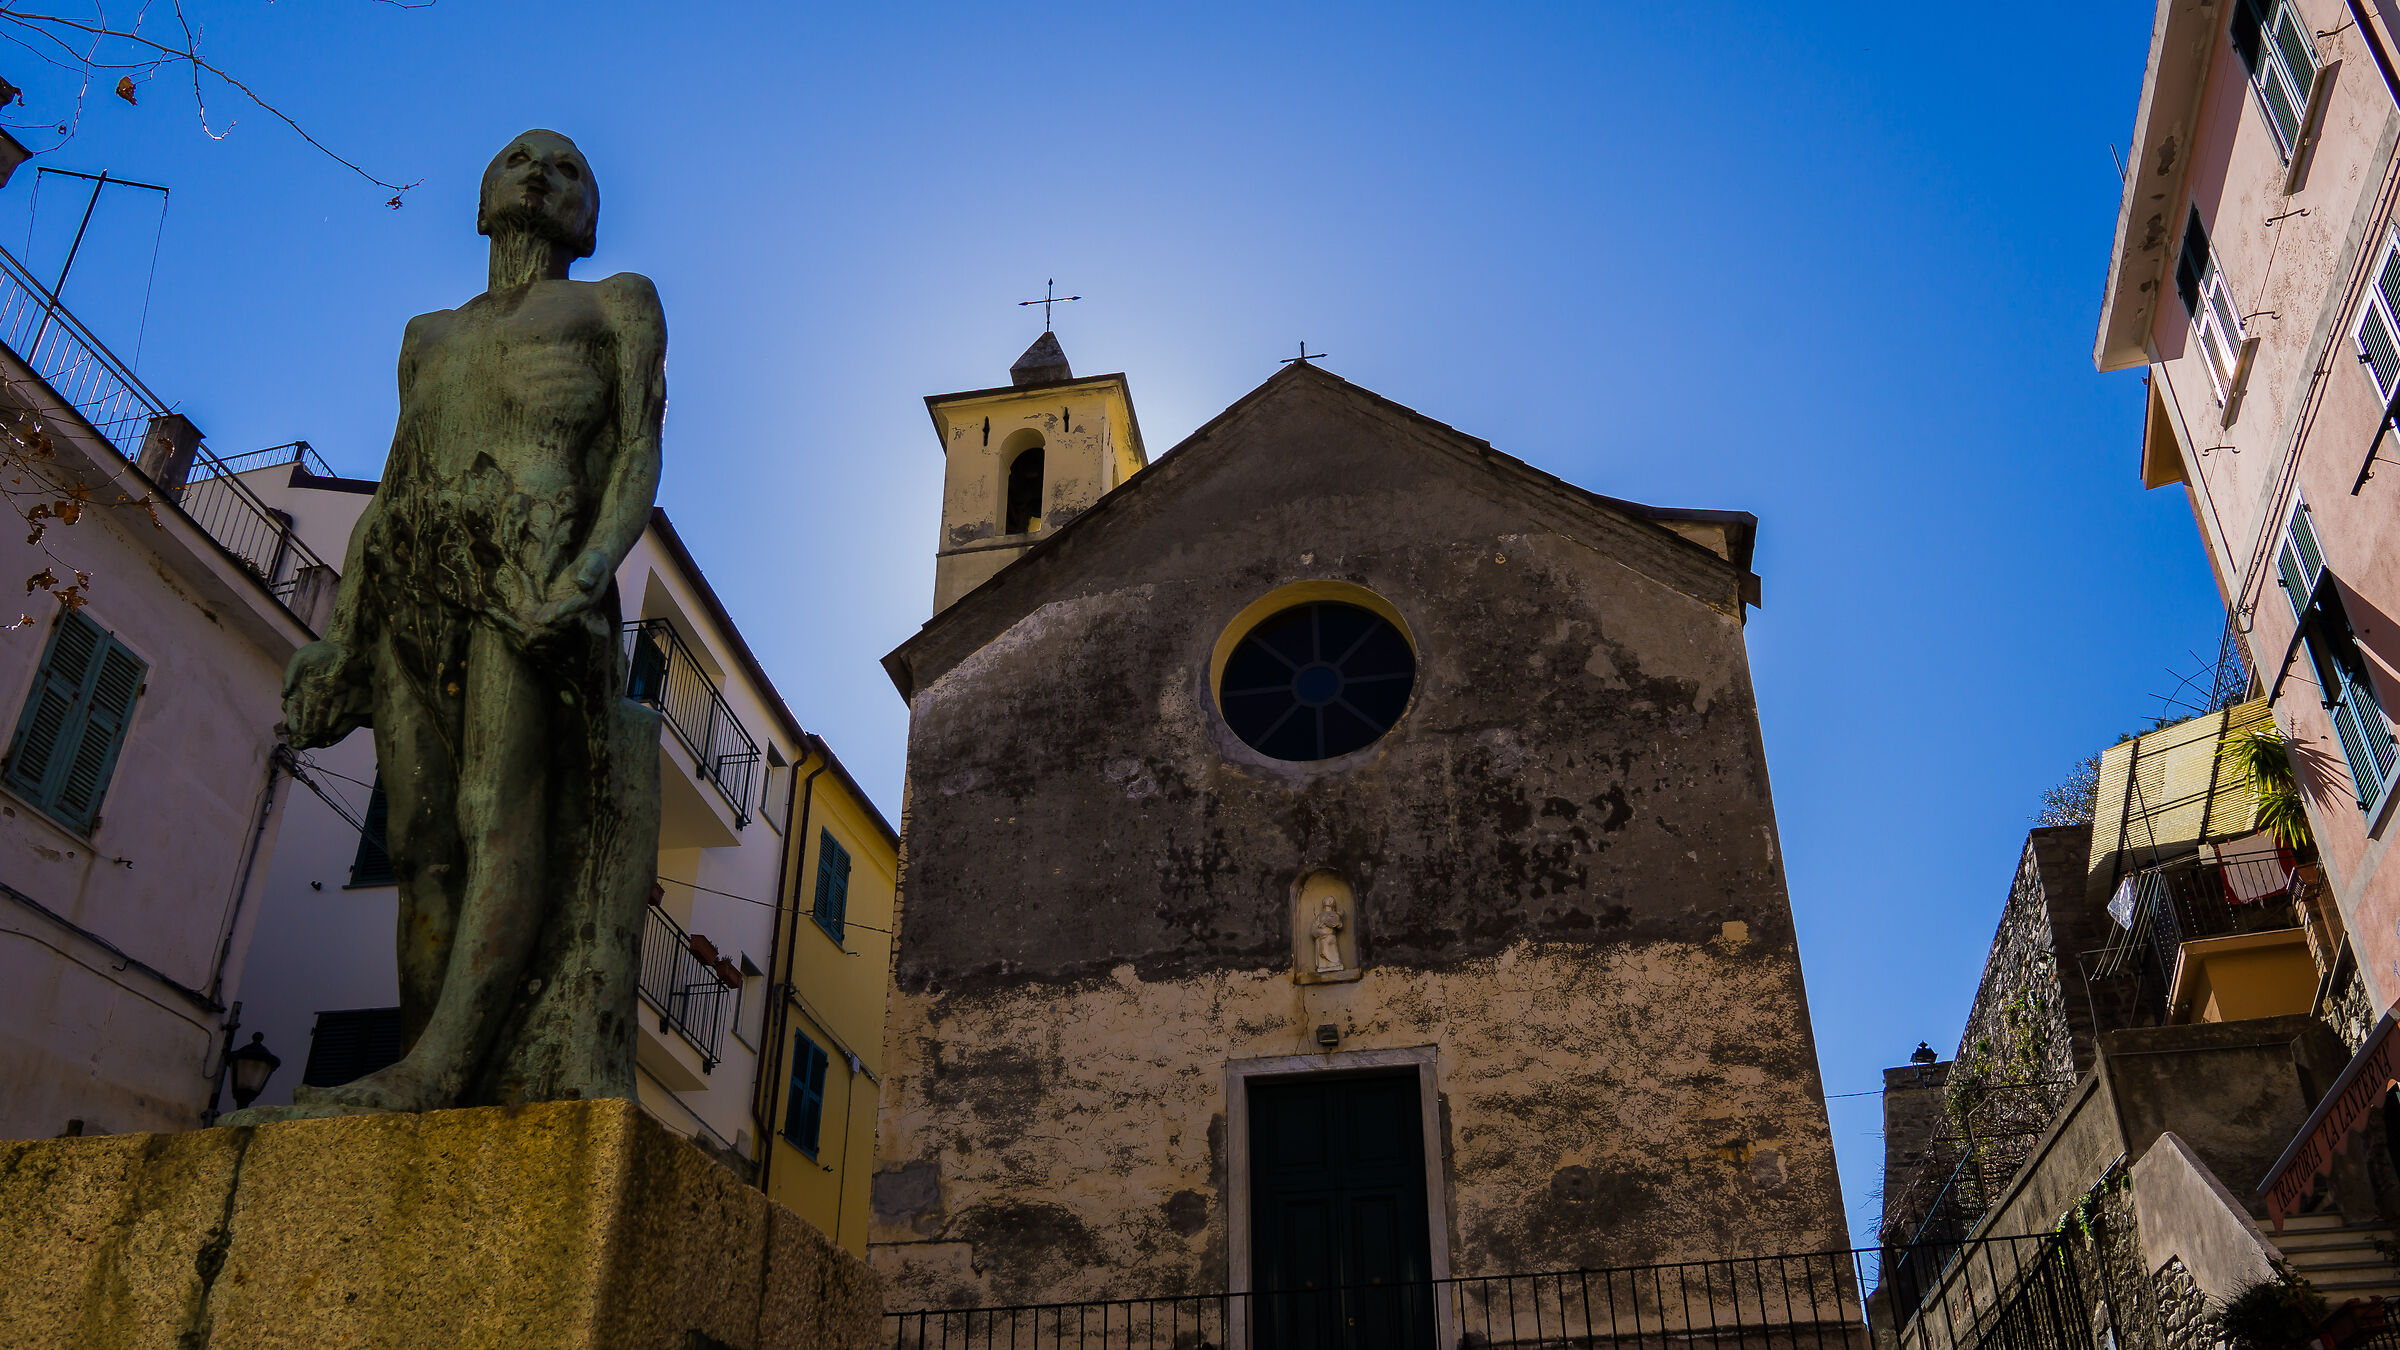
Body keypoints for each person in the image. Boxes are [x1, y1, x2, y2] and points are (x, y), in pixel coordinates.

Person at [275, 130, 664, 1114]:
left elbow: (636, 455)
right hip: (413, 572)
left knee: (498, 811)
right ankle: (423, 1070)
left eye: (570, 168)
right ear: (484, 195)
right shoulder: (428, 335)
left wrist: (582, 578)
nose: (540, 172)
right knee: (419, 841)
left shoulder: (617, 302)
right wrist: (340, 633)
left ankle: (441, 1070)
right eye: (518, 158)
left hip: (530, 576)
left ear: (589, 215)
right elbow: (394, 481)